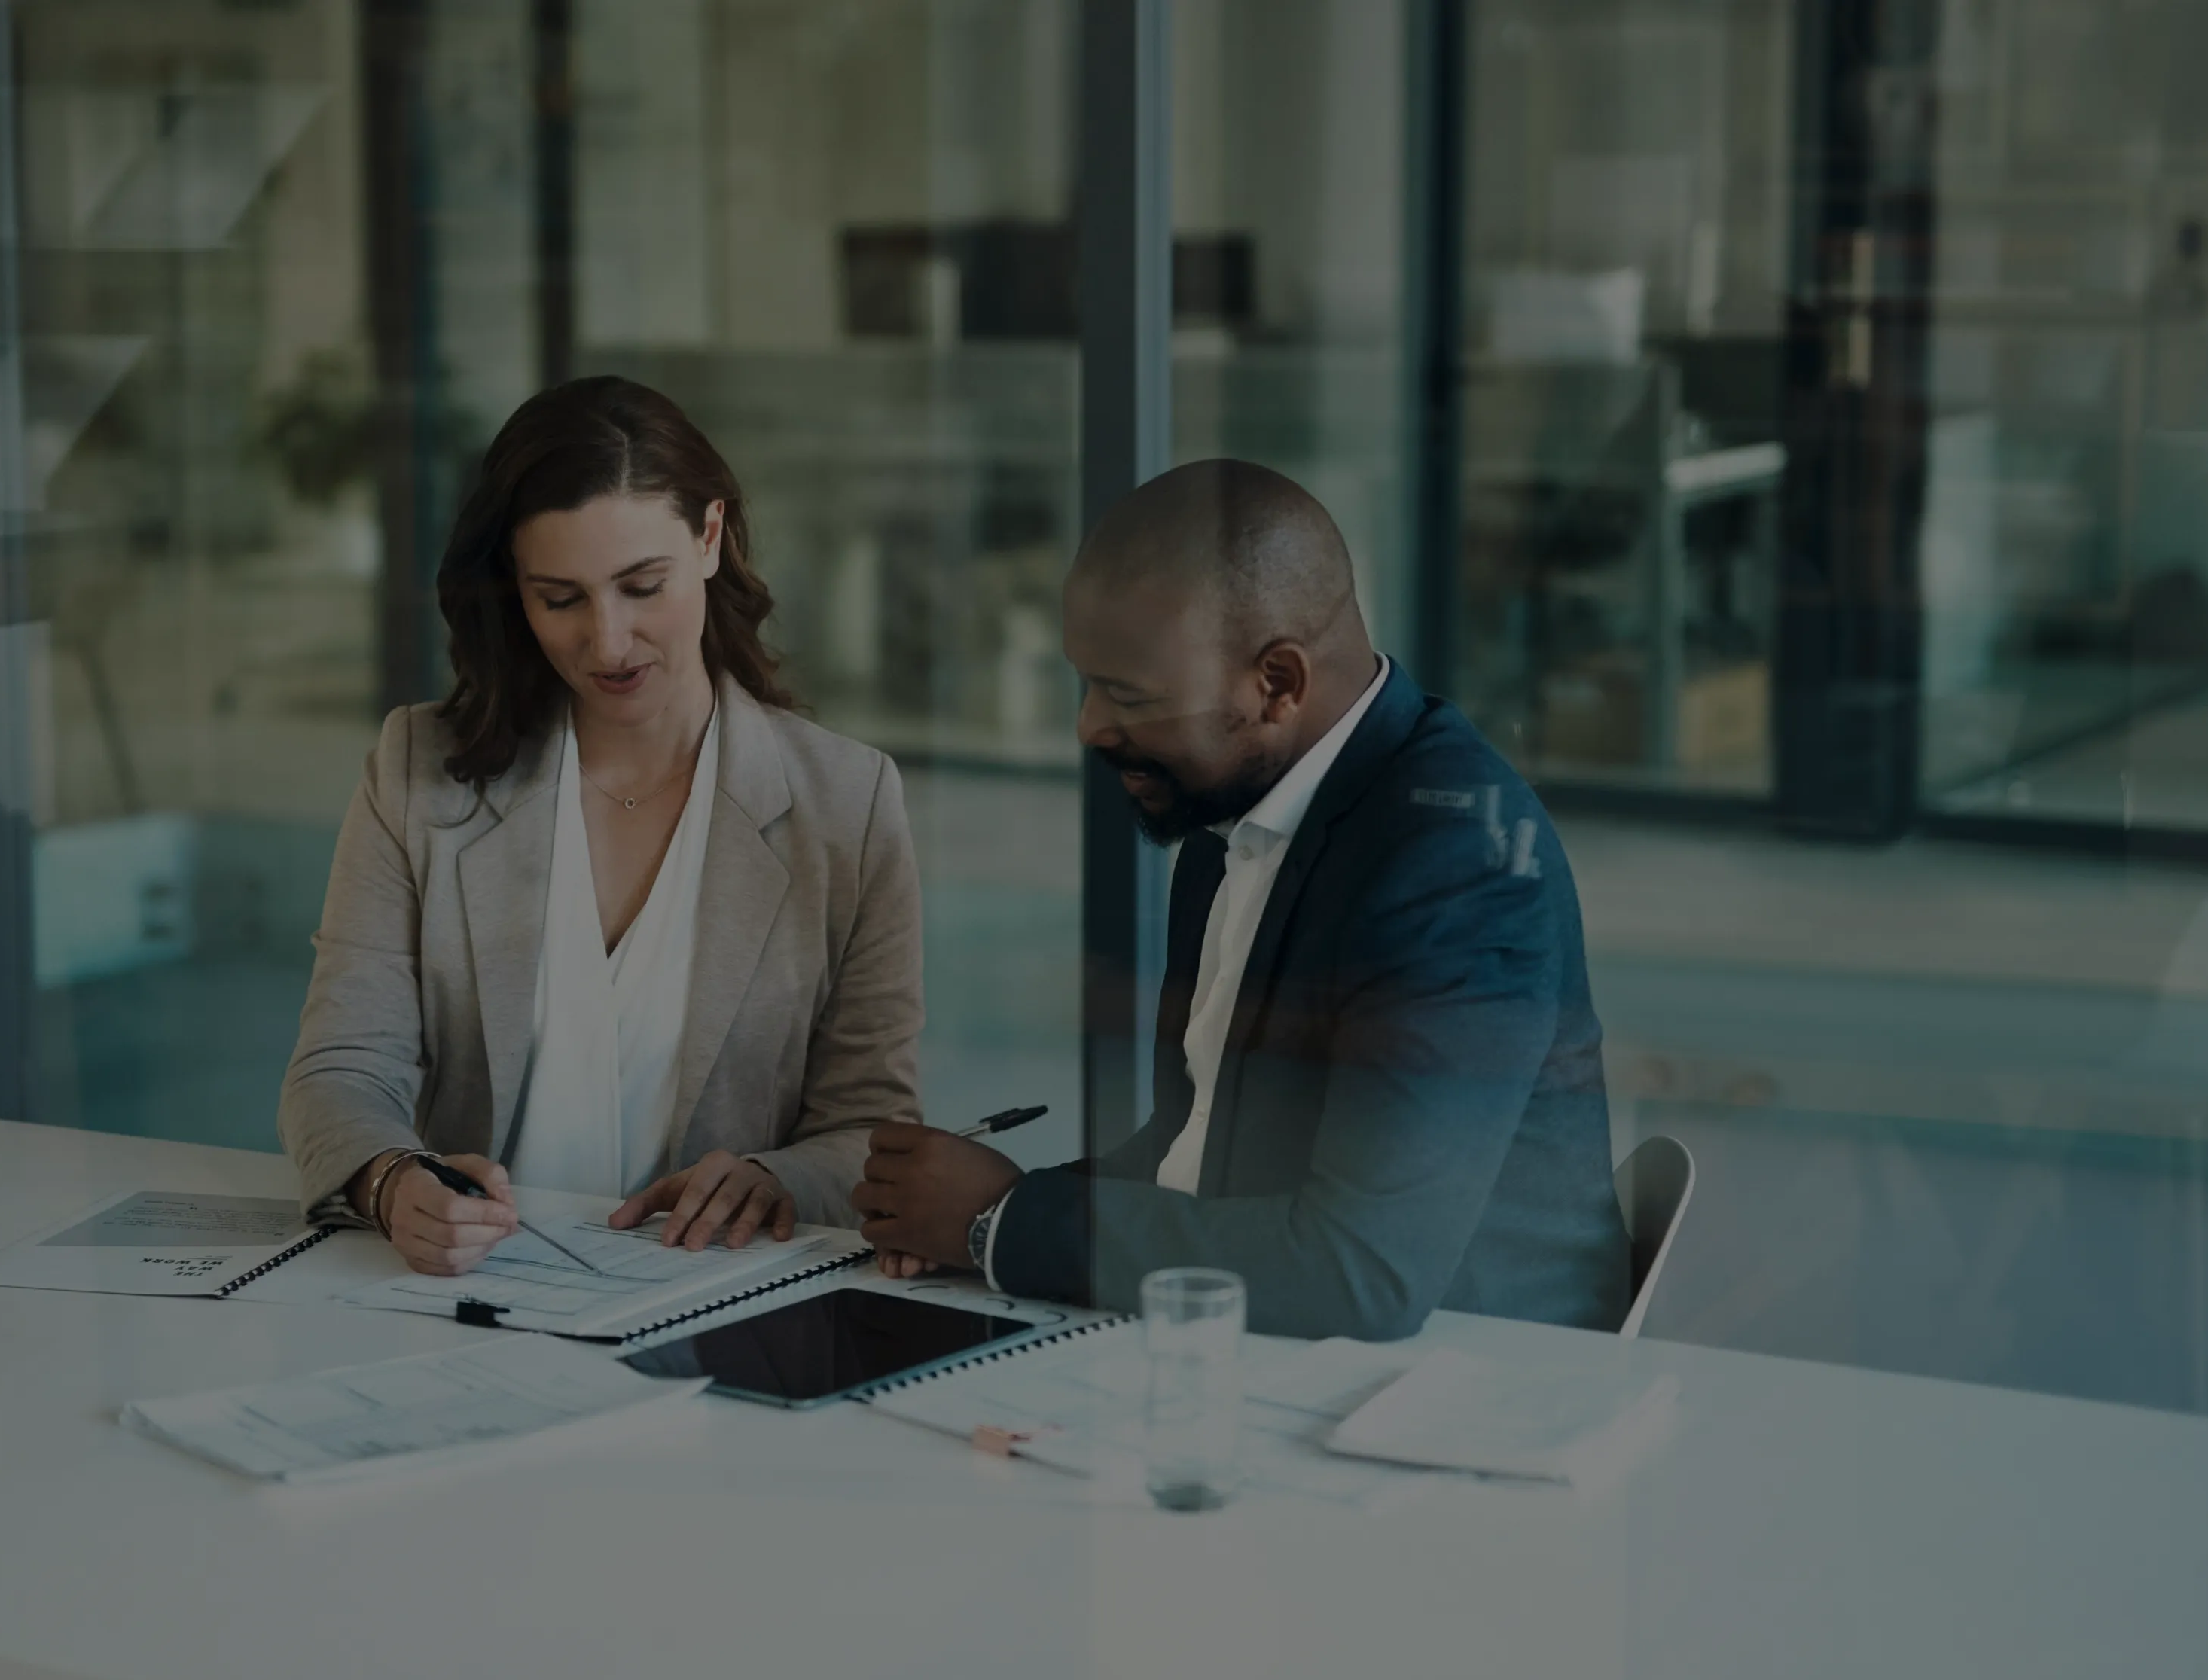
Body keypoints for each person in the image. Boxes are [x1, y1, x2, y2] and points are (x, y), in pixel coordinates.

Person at [854, 459, 1629, 1340]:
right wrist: (982, 1211)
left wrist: (1003, 1224)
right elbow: (1199, 1146)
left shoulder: (1455, 868)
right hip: (1284, 1355)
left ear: (1279, 684)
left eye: (1130, 695)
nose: (1089, 727)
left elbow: (1359, 1272)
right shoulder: (1237, 813)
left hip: (1466, 1387)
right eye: (1087, 681)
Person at [280, 377, 923, 1275]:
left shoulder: (847, 803)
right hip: (467, 1299)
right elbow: (341, 1070)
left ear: (708, 537)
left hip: (720, 1304)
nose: (608, 643)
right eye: (561, 598)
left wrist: (778, 1179)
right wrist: (391, 1180)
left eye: (641, 586)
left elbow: (871, 1126)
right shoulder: (417, 771)